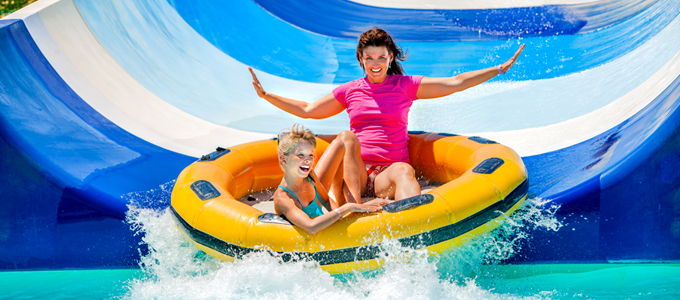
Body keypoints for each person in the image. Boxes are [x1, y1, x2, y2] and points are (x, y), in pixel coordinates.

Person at [250, 27, 525, 205]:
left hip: (386, 178)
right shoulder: (350, 91)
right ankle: (354, 208)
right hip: (355, 173)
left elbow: (455, 83)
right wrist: (267, 96)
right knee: (347, 138)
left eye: (380, 57)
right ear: (361, 59)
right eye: (369, 58)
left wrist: (498, 69)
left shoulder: (405, 86)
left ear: (390, 57)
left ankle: (413, 225)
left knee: (405, 170)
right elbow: (308, 110)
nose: (375, 64)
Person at [273, 124, 388, 234]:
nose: (308, 160)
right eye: (300, 155)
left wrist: (347, 217)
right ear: (283, 159)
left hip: (325, 231)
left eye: (311, 155)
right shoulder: (282, 198)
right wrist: (347, 208)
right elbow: (311, 226)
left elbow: (326, 200)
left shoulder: (309, 176)